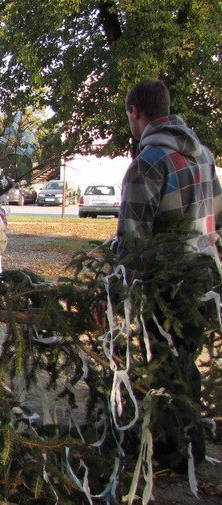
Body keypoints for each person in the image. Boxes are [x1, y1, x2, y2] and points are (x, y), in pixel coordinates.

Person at [117, 79, 221, 472]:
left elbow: (133, 240)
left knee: (163, 361)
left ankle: (171, 450)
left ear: (135, 112)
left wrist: (120, 291)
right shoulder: (204, 156)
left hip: (166, 285)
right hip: (203, 278)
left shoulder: (148, 165)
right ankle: (187, 445)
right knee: (185, 359)